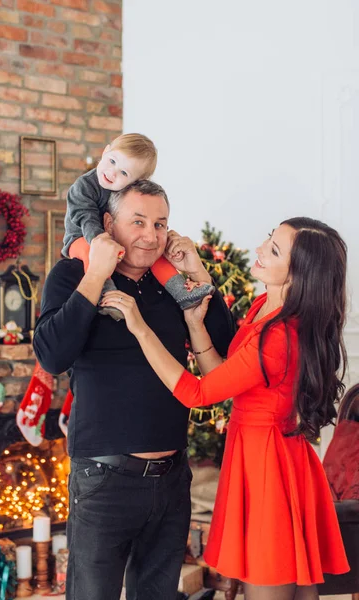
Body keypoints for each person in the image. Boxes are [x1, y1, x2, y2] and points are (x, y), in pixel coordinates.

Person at [101, 217, 350, 600]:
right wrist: (195, 323)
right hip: (267, 455)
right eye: (270, 238)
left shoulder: (280, 336)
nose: (260, 249)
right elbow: (223, 377)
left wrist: (139, 327)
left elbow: (197, 394)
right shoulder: (266, 305)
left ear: (298, 276)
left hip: (269, 467)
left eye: (275, 250)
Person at [33, 179, 236, 600]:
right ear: (108, 223)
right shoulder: (74, 273)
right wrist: (96, 275)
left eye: (160, 223)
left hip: (172, 478)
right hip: (104, 479)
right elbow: (52, 356)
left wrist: (197, 270)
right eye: (138, 221)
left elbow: (225, 346)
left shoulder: (170, 283)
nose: (151, 235)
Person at [63, 132, 214, 320]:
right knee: (91, 255)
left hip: (111, 239)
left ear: (136, 181)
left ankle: (181, 292)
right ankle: (107, 293)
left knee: (157, 257)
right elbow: (83, 214)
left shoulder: (127, 192)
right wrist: (98, 240)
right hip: (81, 237)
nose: (112, 172)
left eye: (124, 173)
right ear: (105, 152)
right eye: (112, 161)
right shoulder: (84, 186)